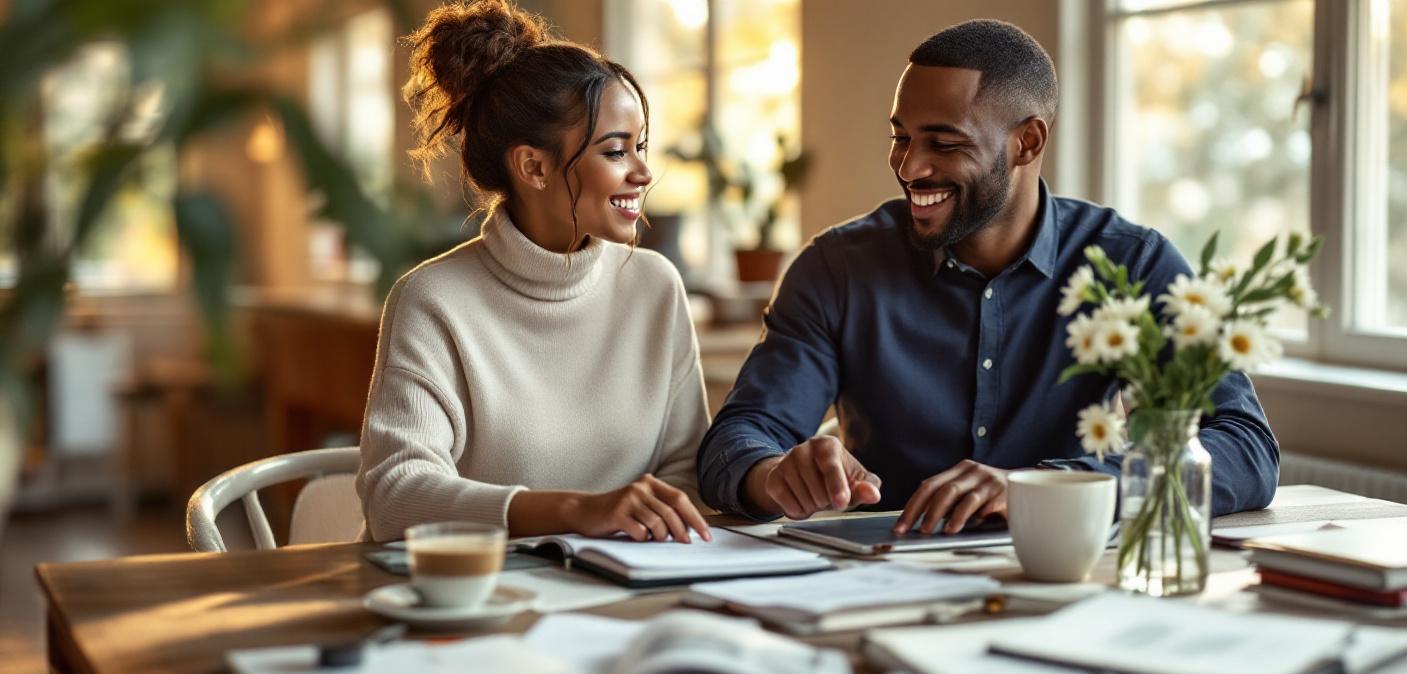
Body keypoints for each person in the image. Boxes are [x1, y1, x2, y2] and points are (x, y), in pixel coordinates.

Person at [697, 19, 1278, 534]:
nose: (909, 167)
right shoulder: (836, 268)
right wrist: (773, 475)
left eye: (944, 144)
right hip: (887, 577)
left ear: (1027, 142)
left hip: (1070, 574)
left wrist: (1051, 488)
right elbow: (737, 439)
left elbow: (1244, 448)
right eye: (901, 138)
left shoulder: (1132, 265)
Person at [358, 0, 711, 544]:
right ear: (533, 167)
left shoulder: (655, 286)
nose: (643, 172)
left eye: (640, 147)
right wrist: (573, 510)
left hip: (620, 588)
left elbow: (686, 477)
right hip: (471, 596)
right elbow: (395, 494)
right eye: (617, 151)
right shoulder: (432, 299)